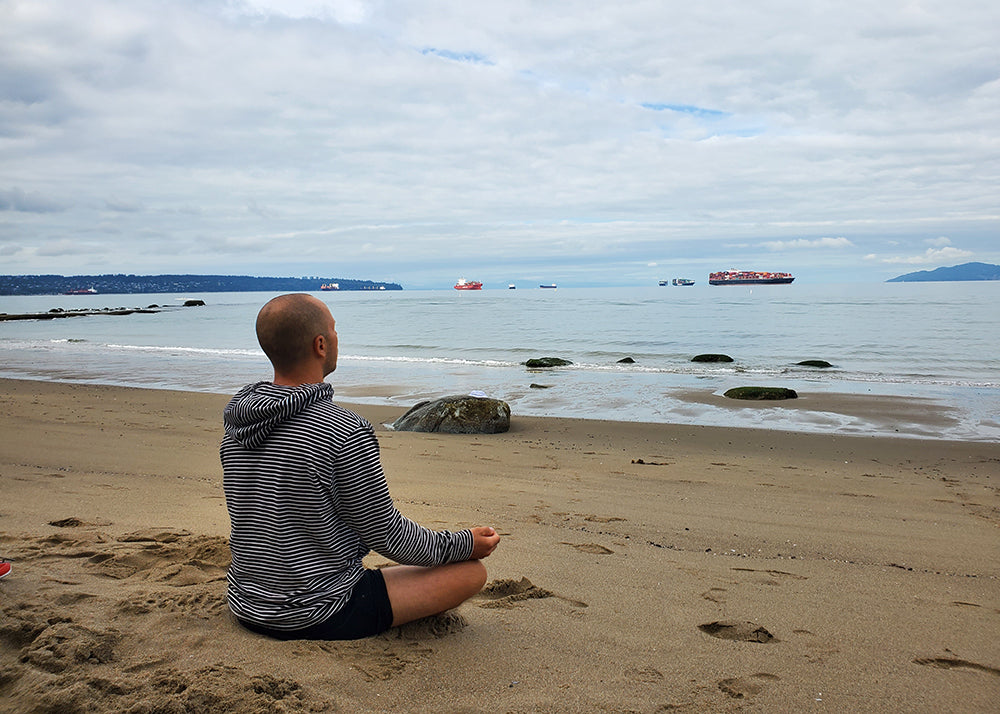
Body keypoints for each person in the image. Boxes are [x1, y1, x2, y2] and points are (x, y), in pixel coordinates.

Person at [221, 293, 500, 640]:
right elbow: (387, 534)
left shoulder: (238, 424)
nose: (337, 337)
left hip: (247, 602)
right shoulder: (344, 431)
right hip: (317, 610)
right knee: (471, 573)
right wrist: (462, 543)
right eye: (334, 329)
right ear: (320, 345)